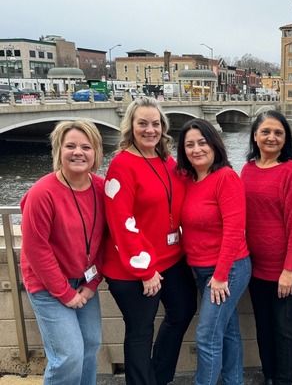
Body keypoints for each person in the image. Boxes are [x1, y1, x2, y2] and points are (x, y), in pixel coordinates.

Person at [103, 97, 197, 385]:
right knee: (140, 331)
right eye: (142, 123)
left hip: (170, 258)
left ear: (163, 127)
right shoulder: (121, 166)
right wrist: (144, 271)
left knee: (182, 311)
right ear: (130, 126)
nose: (149, 129)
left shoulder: (168, 161)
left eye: (155, 124)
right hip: (133, 267)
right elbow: (121, 222)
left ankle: (157, 377)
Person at [20, 120, 106, 385]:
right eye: (70, 146)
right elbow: (36, 248)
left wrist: (92, 283)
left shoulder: (101, 188)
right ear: (58, 151)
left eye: (85, 147)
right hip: (47, 284)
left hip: (83, 282)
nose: (78, 152)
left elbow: (106, 240)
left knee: (91, 344)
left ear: (96, 153)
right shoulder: (42, 193)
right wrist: (64, 292)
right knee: (68, 355)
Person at [176, 118, 251, 385]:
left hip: (228, 268)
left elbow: (234, 230)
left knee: (206, 336)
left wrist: (220, 276)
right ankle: (234, 381)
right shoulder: (188, 180)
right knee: (227, 331)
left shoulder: (226, 177)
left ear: (214, 145)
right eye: (189, 145)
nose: (196, 149)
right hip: (200, 268)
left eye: (202, 142)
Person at [241, 110, 292, 385]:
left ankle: (283, 381)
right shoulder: (246, 169)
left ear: (286, 138)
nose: (272, 137)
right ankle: (269, 377)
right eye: (266, 131)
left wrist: (289, 269)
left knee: (283, 330)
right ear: (255, 136)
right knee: (263, 327)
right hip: (256, 267)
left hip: (288, 268)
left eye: (278, 133)